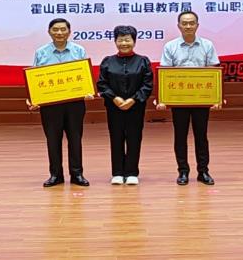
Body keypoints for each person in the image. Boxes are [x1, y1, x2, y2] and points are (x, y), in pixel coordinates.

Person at [156, 11, 222, 186]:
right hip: (179, 100)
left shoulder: (207, 45)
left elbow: (214, 73)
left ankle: (203, 171)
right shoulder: (170, 46)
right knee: (180, 136)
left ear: (197, 25)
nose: (188, 26)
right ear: (178, 26)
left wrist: (216, 98)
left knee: (201, 136)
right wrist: (163, 99)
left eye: (191, 23)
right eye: (184, 23)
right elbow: (165, 75)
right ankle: (183, 171)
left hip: (201, 99)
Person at [27, 18, 92, 188]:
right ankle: (56, 175)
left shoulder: (78, 50)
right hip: (50, 105)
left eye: (63, 29)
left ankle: (77, 174)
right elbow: (35, 79)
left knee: (75, 138)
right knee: (53, 139)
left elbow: (84, 76)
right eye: (55, 29)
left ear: (69, 32)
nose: (59, 33)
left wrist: (88, 91)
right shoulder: (41, 52)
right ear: (49, 32)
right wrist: (34, 98)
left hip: (74, 104)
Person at [97, 25, 153, 186]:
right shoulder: (107, 61)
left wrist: (133, 100)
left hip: (136, 107)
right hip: (114, 107)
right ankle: (117, 173)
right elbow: (102, 84)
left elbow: (147, 85)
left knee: (134, 138)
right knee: (116, 138)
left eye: (127, 40)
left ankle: (132, 172)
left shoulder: (143, 61)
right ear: (115, 41)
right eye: (120, 40)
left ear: (134, 41)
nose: (124, 43)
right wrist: (114, 98)